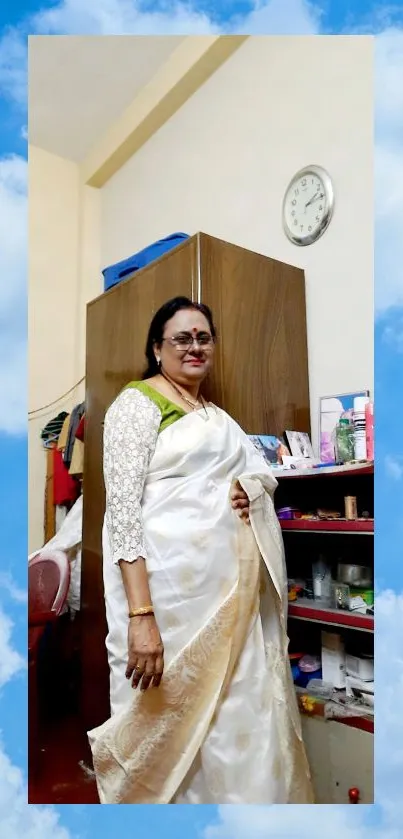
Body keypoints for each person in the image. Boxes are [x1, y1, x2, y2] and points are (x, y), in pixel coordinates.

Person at [88, 296, 313, 805]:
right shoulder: (136, 405)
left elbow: (262, 471)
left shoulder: (217, 416)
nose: (195, 347)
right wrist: (141, 616)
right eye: (182, 338)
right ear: (157, 348)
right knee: (167, 722)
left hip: (232, 603)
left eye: (203, 337)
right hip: (168, 608)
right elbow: (123, 515)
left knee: (239, 720)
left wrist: (250, 489)